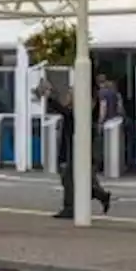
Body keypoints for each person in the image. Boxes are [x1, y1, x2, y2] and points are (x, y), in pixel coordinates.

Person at [35, 77, 111, 219]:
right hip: (72, 147)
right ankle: (100, 195)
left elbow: (66, 113)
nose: (69, 95)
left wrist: (50, 97)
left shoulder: (84, 110)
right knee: (75, 178)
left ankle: (71, 207)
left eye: (72, 92)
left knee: (70, 178)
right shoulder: (75, 109)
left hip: (81, 147)